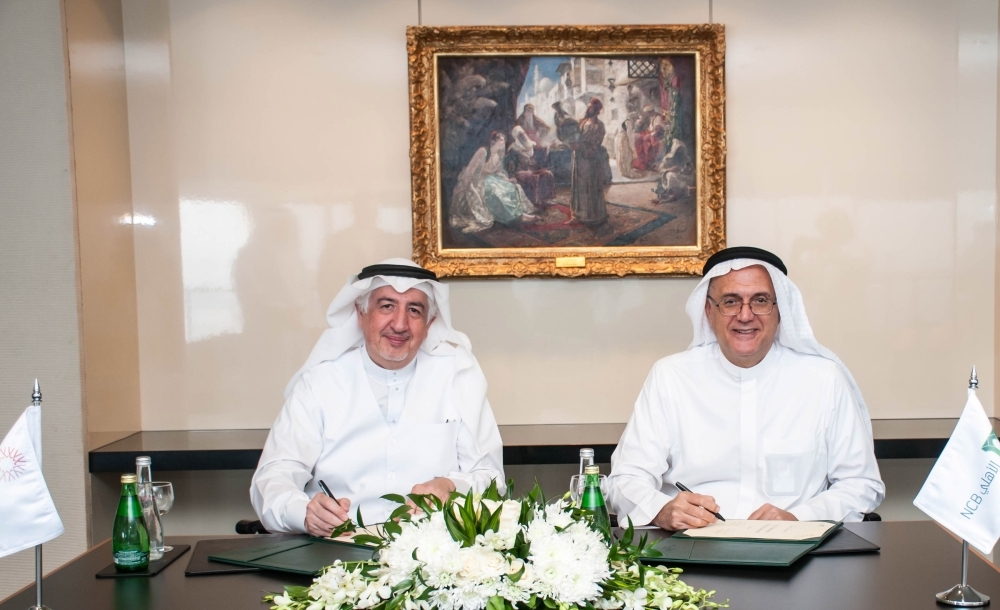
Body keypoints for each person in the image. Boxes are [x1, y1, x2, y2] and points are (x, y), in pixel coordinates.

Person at [607, 247, 884, 530]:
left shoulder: (824, 378)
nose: (745, 315)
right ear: (708, 311)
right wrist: (662, 510)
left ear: (781, 310)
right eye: (730, 301)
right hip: (690, 550)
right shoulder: (671, 376)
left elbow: (861, 484)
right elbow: (625, 480)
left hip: (796, 548)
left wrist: (799, 518)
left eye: (760, 301)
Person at [251, 259, 506, 535]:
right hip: (334, 550)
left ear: (430, 322)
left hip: (432, 553)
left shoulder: (458, 375)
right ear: (361, 314)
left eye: (414, 310)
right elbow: (273, 477)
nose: (399, 324)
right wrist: (304, 512)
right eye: (386, 307)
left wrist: (451, 486)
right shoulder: (319, 382)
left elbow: (492, 480)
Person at [450, 132, 537, 234]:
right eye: (501, 140)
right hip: (478, 180)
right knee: (494, 191)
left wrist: (507, 179)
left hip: (492, 178)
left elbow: (499, 171)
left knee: (511, 187)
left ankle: (518, 214)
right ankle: (518, 217)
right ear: (493, 141)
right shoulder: (483, 151)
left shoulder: (499, 154)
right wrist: (464, 185)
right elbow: (470, 170)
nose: (503, 142)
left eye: (504, 140)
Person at [570, 99, 610, 225]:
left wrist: (583, 148)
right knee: (580, 185)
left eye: (591, 107)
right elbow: (576, 136)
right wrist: (573, 143)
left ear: (596, 109)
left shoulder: (600, 125)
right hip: (579, 158)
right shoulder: (582, 122)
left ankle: (593, 215)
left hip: (590, 159)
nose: (588, 109)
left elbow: (596, 143)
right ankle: (577, 214)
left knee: (590, 186)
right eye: (588, 107)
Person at [506, 126, 555, 207]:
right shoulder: (513, 149)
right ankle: (535, 201)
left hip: (533, 169)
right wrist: (515, 174)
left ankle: (545, 199)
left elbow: (540, 155)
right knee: (531, 176)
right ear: (516, 137)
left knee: (547, 173)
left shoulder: (531, 144)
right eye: (520, 135)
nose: (524, 136)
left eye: (524, 134)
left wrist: (549, 146)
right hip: (520, 172)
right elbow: (511, 167)